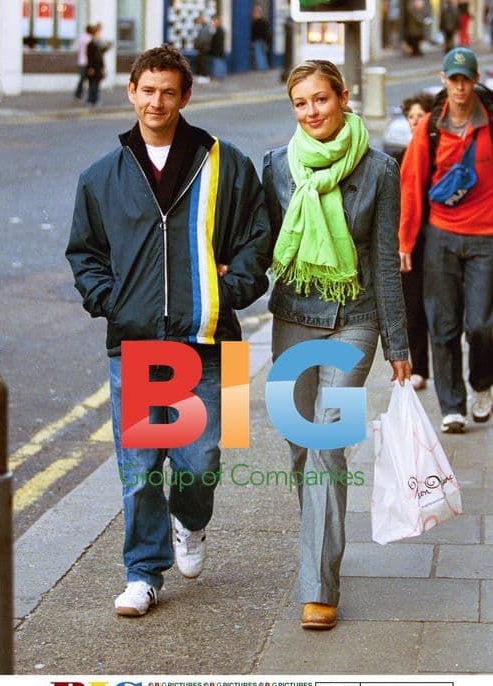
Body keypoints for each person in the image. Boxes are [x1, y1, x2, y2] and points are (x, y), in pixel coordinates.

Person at [66, 45, 271, 616]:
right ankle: (143, 572)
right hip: (136, 340)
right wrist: (112, 302)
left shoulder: (225, 163)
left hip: (212, 336)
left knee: (202, 462)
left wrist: (231, 290)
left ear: (186, 96)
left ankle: (193, 522)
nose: (157, 101)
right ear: (131, 92)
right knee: (140, 467)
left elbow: (259, 236)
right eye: (147, 90)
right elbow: (85, 254)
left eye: (168, 91)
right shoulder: (101, 176)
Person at [263, 60, 410, 631]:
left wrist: (397, 340)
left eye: (321, 99)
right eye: (301, 103)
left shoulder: (379, 169)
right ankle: (319, 540)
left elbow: (383, 261)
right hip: (294, 317)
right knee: (301, 448)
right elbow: (264, 243)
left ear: (343, 99)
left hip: (356, 320)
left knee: (326, 444)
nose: (312, 112)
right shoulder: (278, 165)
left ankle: (319, 585)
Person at [399, 47, 493, 434]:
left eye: (465, 79)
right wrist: (405, 243)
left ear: (474, 80)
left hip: (486, 237)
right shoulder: (431, 129)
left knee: (483, 325)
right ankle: (452, 407)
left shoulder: (489, 123)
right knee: (443, 324)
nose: (458, 86)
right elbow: (411, 184)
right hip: (441, 235)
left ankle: (483, 383)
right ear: (444, 80)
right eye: (452, 79)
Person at [400, 92, 434, 391]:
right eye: (411, 118)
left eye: (420, 117)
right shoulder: (400, 158)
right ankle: (420, 367)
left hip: (436, 239)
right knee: (413, 307)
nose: (415, 123)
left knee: (444, 310)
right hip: (409, 243)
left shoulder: (440, 155)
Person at [86, 23, 110, 107]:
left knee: (97, 84)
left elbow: (102, 53)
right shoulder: (91, 44)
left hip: (98, 67)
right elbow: (90, 57)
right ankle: (91, 100)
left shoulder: (98, 44)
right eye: (98, 33)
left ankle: (95, 99)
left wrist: (107, 46)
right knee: (92, 84)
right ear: (94, 34)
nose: (99, 35)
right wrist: (90, 67)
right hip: (93, 67)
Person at [74, 24, 94, 102]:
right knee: (89, 79)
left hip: (81, 61)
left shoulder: (81, 37)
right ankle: (83, 95)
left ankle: (78, 94)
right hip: (87, 61)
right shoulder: (90, 39)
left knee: (82, 79)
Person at [251, 5, 272, 71]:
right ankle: (264, 67)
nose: (253, 15)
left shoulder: (259, 22)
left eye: (255, 13)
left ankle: (262, 68)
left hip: (259, 41)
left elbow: (261, 32)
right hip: (262, 40)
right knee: (262, 54)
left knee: (259, 55)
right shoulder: (262, 22)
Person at [193, 14, 212, 82]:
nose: (198, 22)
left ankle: (205, 77)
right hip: (201, 48)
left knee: (203, 63)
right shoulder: (202, 27)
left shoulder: (206, 28)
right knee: (201, 63)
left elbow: (204, 39)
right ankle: (202, 76)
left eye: (199, 21)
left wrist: (198, 45)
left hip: (204, 49)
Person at [209, 15, 227, 80]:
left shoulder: (219, 30)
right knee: (218, 64)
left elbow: (218, 43)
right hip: (217, 52)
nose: (213, 23)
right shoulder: (216, 30)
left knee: (218, 64)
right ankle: (219, 76)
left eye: (215, 21)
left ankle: (218, 76)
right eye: (213, 21)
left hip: (218, 51)